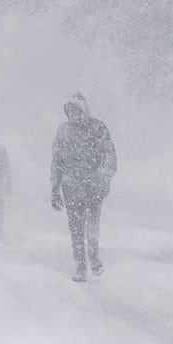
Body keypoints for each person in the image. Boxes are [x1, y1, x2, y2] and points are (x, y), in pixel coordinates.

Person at [49, 93, 116, 282]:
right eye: (71, 110)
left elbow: (109, 156)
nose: (74, 114)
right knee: (75, 228)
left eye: (77, 109)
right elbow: (56, 162)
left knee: (92, 224)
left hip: (93, 188)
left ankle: (94, 258)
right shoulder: (63, 132)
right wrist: (55, 188)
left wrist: (103, 179)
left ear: (84, 110)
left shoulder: (97, 128)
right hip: (70, 189)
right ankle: (80, 265)